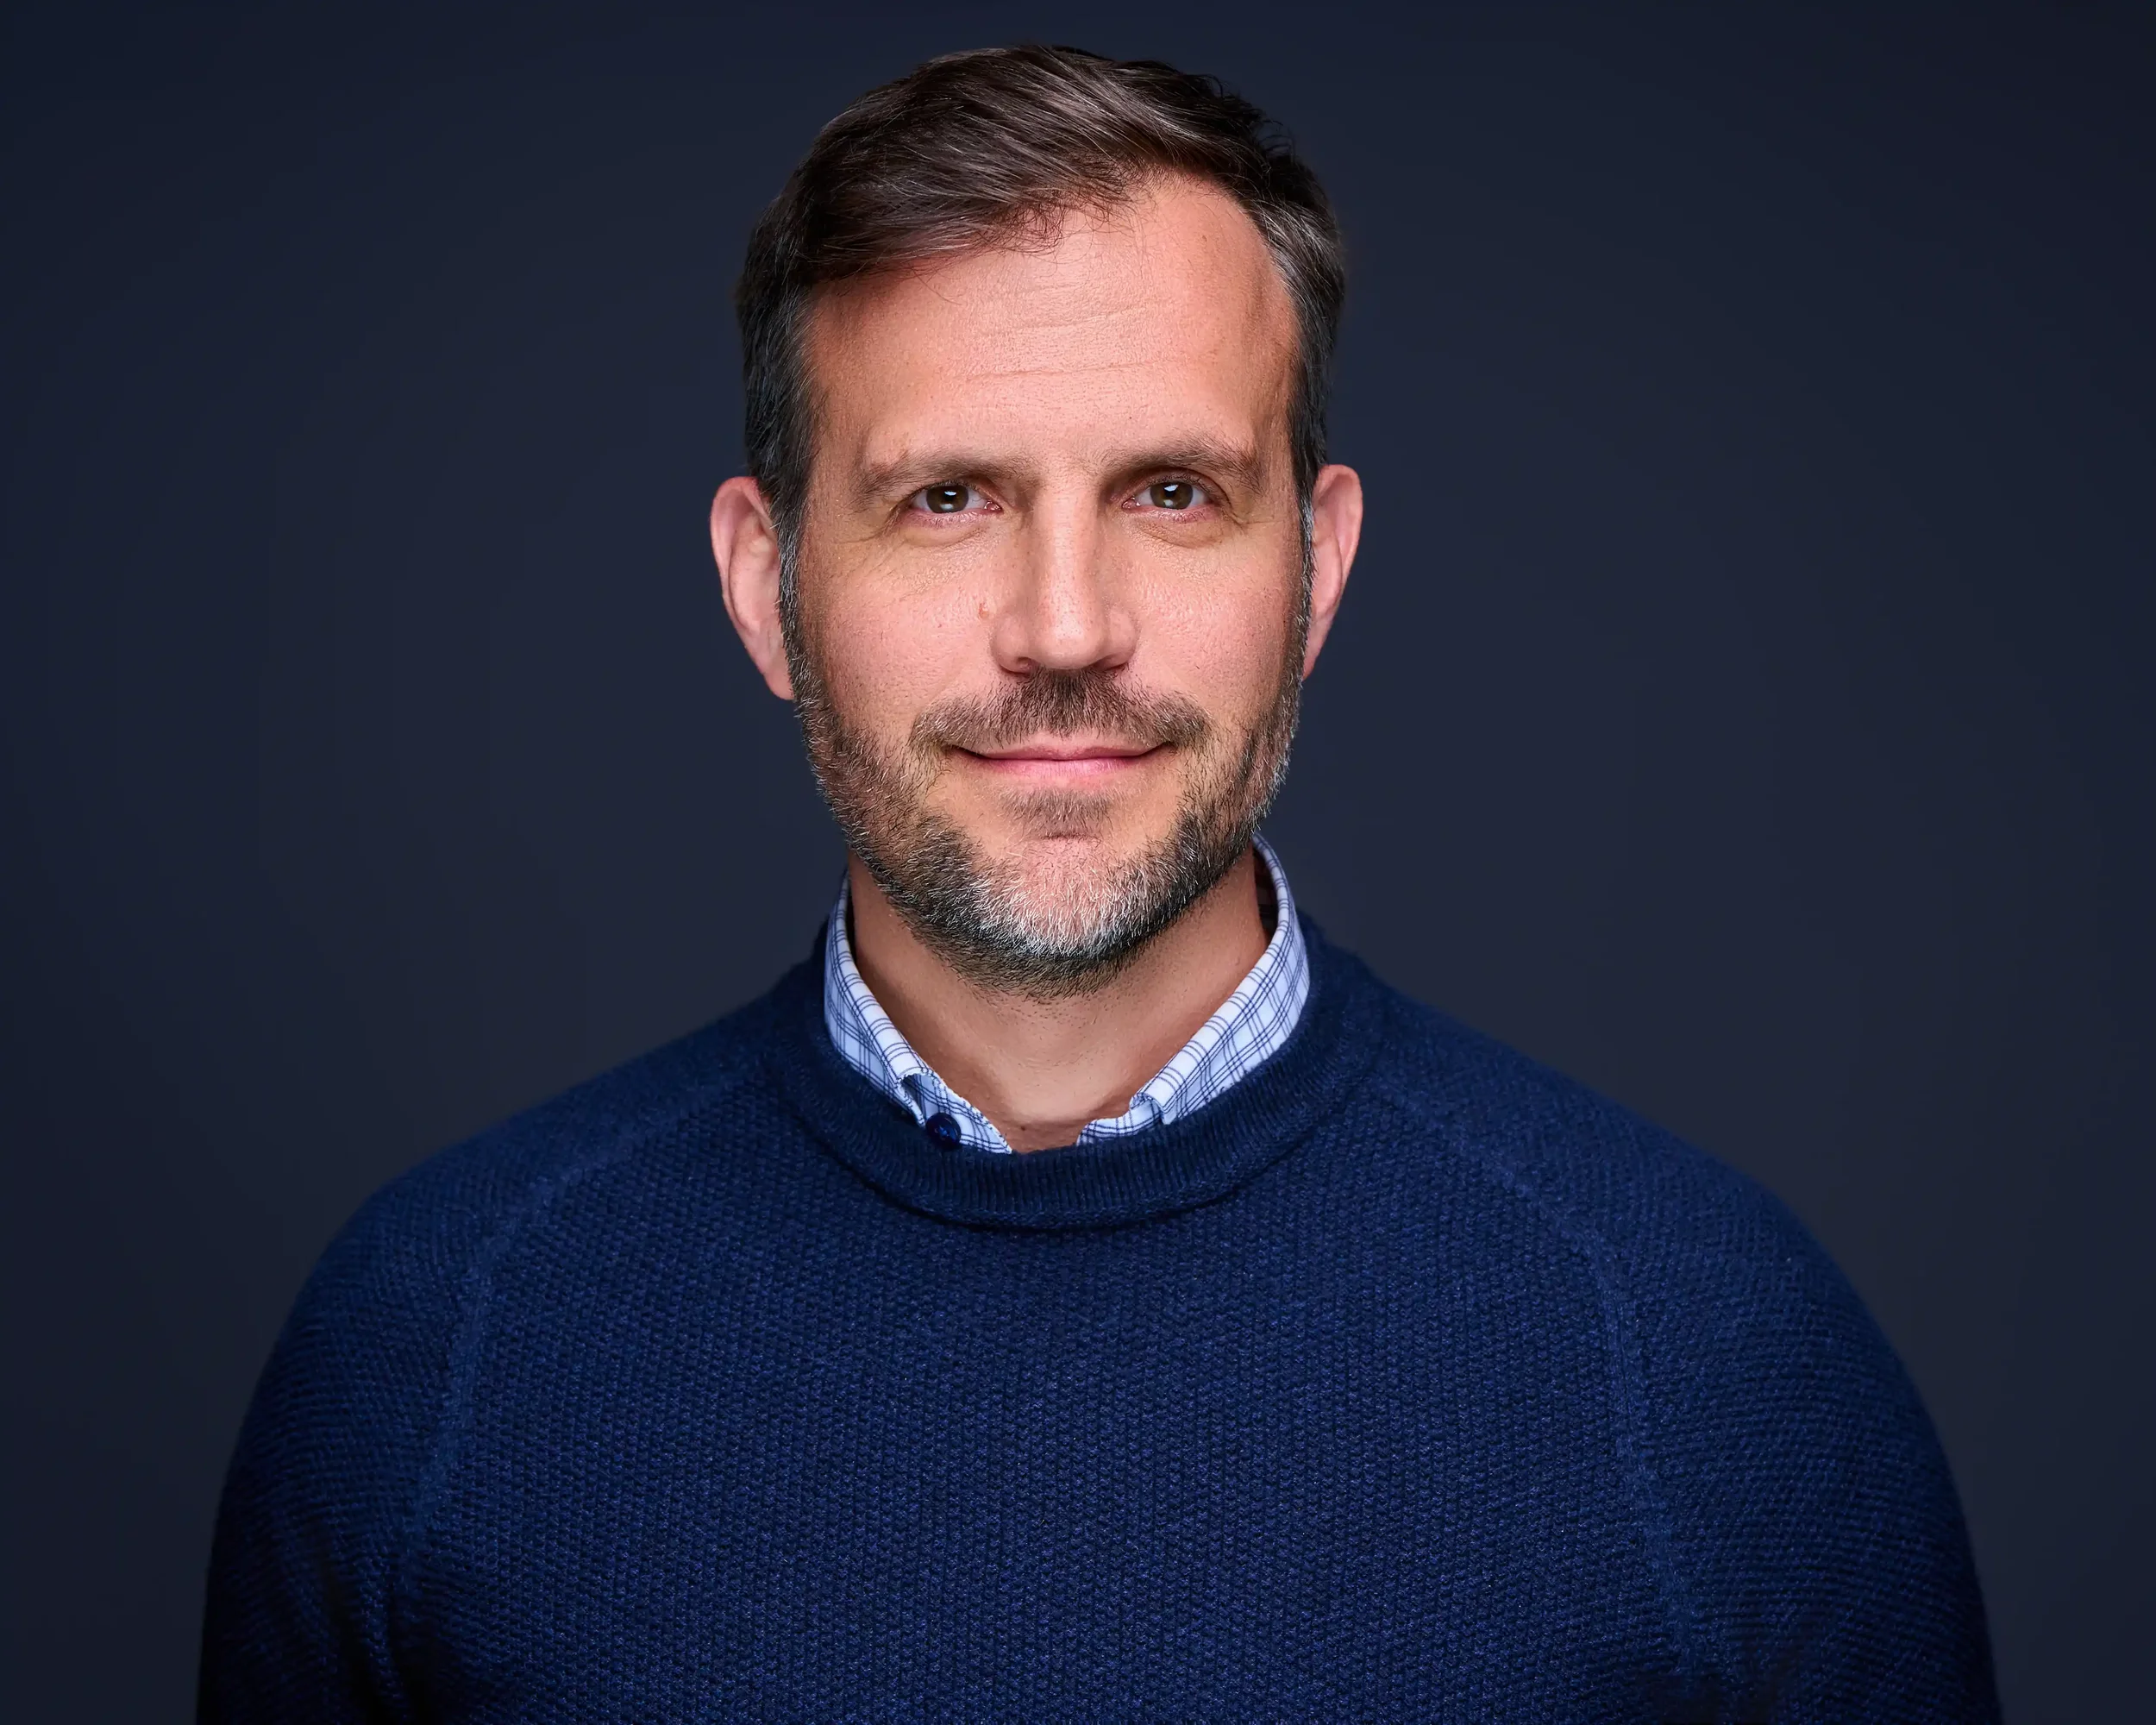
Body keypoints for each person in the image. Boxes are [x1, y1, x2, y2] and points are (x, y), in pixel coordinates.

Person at [200, 45, 1999, 1721]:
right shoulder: (436, 1342)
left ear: (1316, 565)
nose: (1065, 628)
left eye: (1168, 491)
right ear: (764, 587)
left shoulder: (1711, 1361)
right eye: (945, 500)